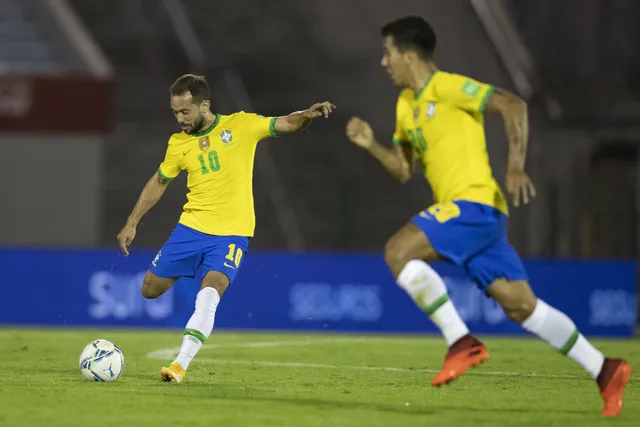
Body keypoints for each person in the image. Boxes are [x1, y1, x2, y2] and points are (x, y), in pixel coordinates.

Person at [345, 16, 630, 417]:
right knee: (521, 306)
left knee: (397, 252)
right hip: (475, 218)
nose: (384, 62)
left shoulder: (447, 86)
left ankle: (461, 341)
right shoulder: (405, 105)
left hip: (474, 204)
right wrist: (372, 145)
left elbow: (512, 105)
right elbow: (403, 169)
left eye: (388, 52)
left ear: (409, 55)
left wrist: (515, 166)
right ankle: (604, 368)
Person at [117, 73, 335, 383]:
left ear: (204, 105)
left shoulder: (241, 125)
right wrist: (132, 222)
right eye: (175, 112)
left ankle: (179, 364)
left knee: (212, 289)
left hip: (232, 232)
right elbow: (159, 182)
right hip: (190, 228)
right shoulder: (178, 144)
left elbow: (284, 123)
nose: (179, 119)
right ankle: (190, 267)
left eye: (185, 112)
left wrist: (307, 115)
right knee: (149, 289)